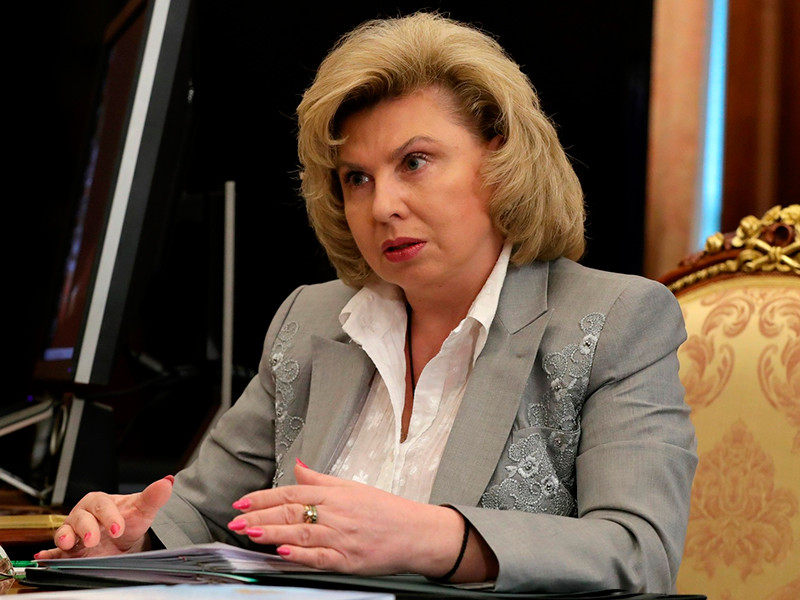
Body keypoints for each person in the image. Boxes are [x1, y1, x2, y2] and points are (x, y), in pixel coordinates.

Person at [36, 11, 697, 594]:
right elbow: (202, 512)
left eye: (415, 162)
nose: (383, 206)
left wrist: (430, 538)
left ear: (501, 159)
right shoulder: (309, 321)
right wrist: (131, 536)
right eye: (357, 178)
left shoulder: (616, 320)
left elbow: (640, 552)